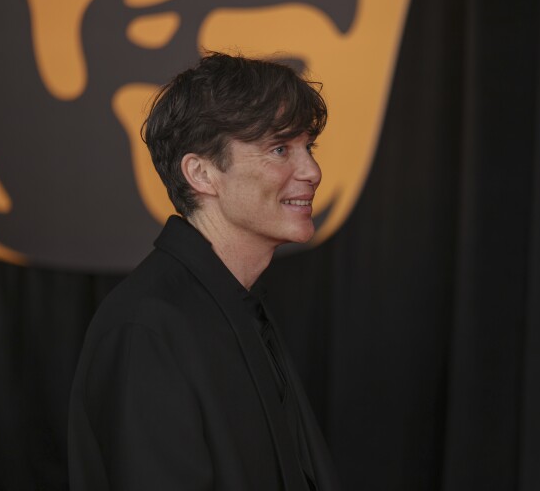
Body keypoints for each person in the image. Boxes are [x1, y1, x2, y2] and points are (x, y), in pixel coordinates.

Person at [68, 52, 340, 491]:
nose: (312, 171)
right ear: (202, 173)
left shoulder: (237, 308)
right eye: (279, 148)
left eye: (308, 148)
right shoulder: (146, 331)